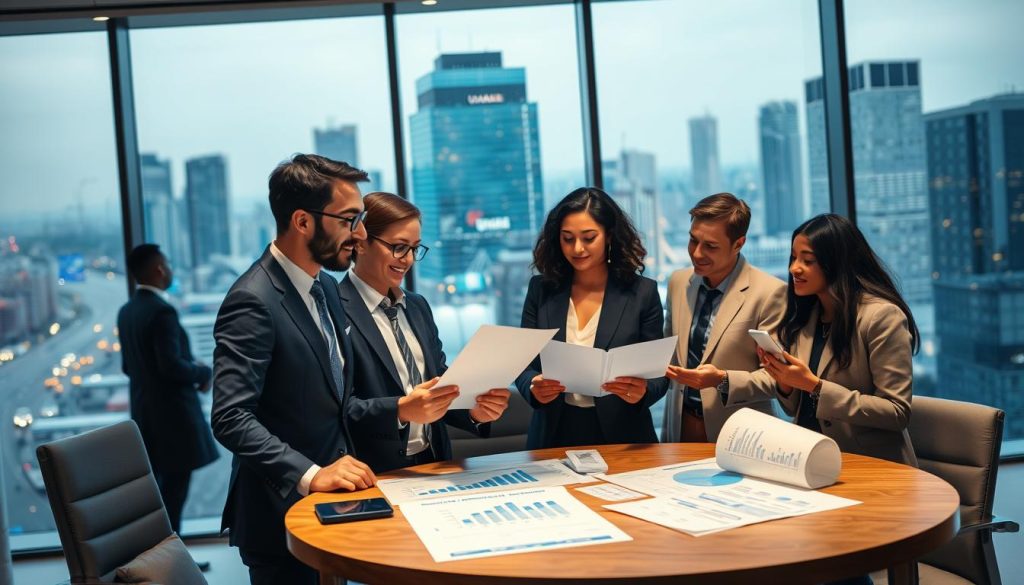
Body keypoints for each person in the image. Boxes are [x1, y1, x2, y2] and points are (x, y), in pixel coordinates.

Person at [211, 154, 377, 585]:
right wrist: (311, 474)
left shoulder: (323, 284)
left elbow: (334, 399)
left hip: (336, 509)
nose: (360, 235)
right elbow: (230, 417)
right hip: (280, 515)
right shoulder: (253, 299)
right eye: (349, 219)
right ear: (303, 222)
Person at [340, 192, 512, 472]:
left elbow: (439, 384)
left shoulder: (417, 306)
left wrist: (474, 412)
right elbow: (336, 410)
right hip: (372, 472)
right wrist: (400, 410)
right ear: (360, 243)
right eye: (398, 247)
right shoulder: (334, 310)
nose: (407, 260)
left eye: (414, 248)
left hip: (433, 464)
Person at [731, 213, 919, 467]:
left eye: (807, 260)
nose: (794, 268)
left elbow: (896, 412)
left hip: (871, 465)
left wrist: (815, 387)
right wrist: (785, 382)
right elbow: (795, 410)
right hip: (809, 460)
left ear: (837, 263)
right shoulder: (806, 317)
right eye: (794, 258)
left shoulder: (881, 317)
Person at [515, 187, 668, 448]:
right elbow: (522, 364)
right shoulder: (541, 289)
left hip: (624, 433)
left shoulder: (642, 292)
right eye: (567, 238)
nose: (577, 248)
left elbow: (659, 374)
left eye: (588, 238)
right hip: (554, 432)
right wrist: (533, 385)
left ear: (609, 236)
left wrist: (642, 391)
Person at [661, 193, 787, 443]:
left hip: (742, 433)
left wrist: (722, 380)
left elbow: (779, 378)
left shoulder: (770, 293)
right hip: (680, 427)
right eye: (692, 241)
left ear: (738, 244)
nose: (696, 253)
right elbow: (665, 355)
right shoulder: (678, 282)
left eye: (710, 246)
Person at [118, 243, 217, 535]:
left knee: (160, 495)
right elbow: (171, 367)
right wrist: (203, 371)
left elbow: (128, 367)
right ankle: (173, 563)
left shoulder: (127, 311)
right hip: (173, 421)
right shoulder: (162, 312)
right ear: (159, 269)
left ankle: (162, 561)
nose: (170, 270)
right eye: (167, 264)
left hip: (145, 417)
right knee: (174, 496)